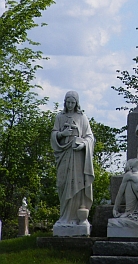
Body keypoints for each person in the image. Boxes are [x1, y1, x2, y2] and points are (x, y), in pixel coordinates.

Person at [51, 90, 95, 225]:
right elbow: (54, 134)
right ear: (65, 102)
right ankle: (64, 217)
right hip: (64, 154)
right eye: (68, 102)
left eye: (72, 102)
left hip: (77, 156)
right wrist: (62, 134)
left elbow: (90, 137)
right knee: (62, 183)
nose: (70, 105)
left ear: (76, 103)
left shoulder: (82, 118)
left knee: (77, 185)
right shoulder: (59, 117)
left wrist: (83, 145)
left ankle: (78, 217)